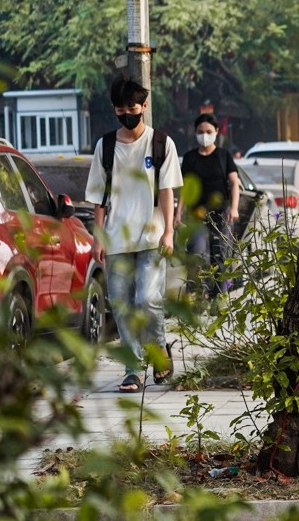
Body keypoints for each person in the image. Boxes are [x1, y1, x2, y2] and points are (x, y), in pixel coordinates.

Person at [86, 76, 183, 393]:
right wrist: (97, 237)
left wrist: (168, 231)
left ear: (144, 106)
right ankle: (132, 369)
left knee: (148, 299)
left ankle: (158, 352)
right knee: (122, 304)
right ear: (115, 110)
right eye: (121, 107)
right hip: (116, 239)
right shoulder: (106, 146)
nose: (128, 112)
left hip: (152, 236)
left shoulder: (161, 144)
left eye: (133, 106)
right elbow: (99, 197)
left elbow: (166, 191)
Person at [176, 114, 240, 301]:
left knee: (220, 256)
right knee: (197, 254)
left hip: (222, 214)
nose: (204, 135)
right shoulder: (189, 158)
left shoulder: (223, 156)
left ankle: (219, 299)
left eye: (208, 132)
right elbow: (185, 188)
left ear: (216, 132)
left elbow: (234, 183)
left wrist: (234, 207)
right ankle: (197, 295)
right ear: (195, 133)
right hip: (196, 216)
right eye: (200, 132)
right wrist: (178, 213)